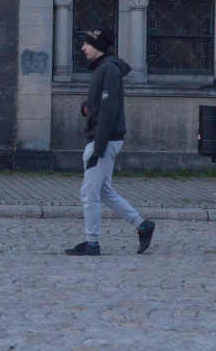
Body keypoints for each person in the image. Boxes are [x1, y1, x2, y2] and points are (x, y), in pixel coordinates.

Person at [64, 28, 155, 256]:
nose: (83, 48)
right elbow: (101, 104)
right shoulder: (103, 69)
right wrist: (88, 107)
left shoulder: (109, 70)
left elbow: (109, 110)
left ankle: (92, 243)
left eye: (88, 44)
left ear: (100, 47)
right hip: (104, 139)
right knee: (103, 191)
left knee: (89, 194)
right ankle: (142, 225)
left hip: (103, 141)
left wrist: (99, 148)